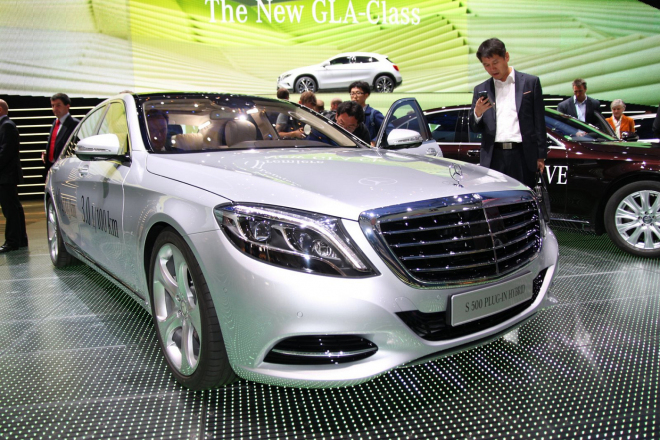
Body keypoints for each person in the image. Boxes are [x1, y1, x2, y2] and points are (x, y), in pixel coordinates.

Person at [469, 38, 546, 188]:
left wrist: (541, 156)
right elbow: (474, 128)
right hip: (493, 157)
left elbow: (539, 122)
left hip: (522, 155)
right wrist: (477, 113)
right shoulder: (481, 89)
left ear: (507, 57)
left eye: (495, 62)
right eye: (486, 65)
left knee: (522, 198)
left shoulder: (530, 83)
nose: (492, 68)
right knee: (494, 199)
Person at [0, 99, 28, 253]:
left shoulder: (6, 126)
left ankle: (12, 242)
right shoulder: (6, 125)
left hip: (6, 175)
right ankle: (20, 239)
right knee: (14, 208)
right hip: (7, 174)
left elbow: (5, 152)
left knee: (10, 209)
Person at [42, 93, 80, 175]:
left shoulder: (75, 124)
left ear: (67, 106)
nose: (55, 108)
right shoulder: (55, 123)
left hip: (65, 170)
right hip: (51, 168)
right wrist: (48, 155)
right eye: (53, 105)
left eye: (58, 105)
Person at [306, 101, 371, 145]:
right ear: (336, 116)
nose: (344, 130)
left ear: (357, 125)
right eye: (341, 124)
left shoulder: (363, 132)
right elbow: (310, 146)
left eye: (350, 127)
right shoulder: (322, 124)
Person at [349, 81, 384, 145]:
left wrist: (374, 141)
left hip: (368, 149)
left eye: (358, 93)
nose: (355, 96)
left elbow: (387, 129)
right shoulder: (348, 114)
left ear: (366, 95)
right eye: (352, 93)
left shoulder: (374, 114)